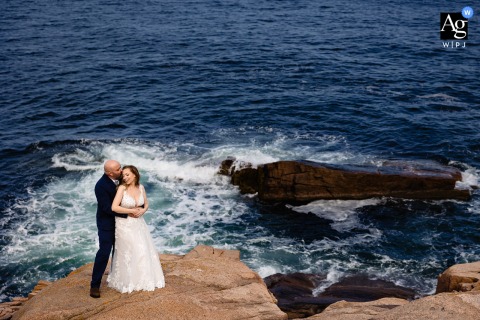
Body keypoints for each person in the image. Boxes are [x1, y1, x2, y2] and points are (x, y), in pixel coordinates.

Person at [107, 165, 165, 293]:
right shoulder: (122, 188)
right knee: (129, 250)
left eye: (127, 174)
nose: (125, 177)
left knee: (142, 249)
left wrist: (143, 210)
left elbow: (146, 204)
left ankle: (143, 279)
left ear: (135, 174)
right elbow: (114, 207)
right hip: (124, 224)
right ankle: (128, 281)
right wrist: (131, 211)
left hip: (139, 224)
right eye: (123, 175)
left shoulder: (141, 187)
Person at [90, 160, 142, 298]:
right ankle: (94, 285)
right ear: (110, 173)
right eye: (119, 169)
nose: (121, 170)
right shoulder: (100, 186)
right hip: (107, 225)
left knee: (122, 251)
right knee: (104, 252)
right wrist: (129, 212)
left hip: (123, 224)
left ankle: (121, 278)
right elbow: (107, 208)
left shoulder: (122, 180)